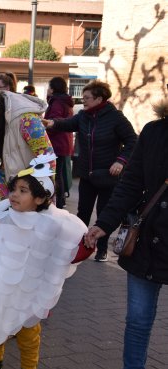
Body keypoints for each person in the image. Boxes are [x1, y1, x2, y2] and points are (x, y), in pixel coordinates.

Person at [0, 154, 90, 369]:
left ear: (40, 198)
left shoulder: (54, 224)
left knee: (29, 336)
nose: (15, 195)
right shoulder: (3, 217)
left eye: (23, 191)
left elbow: (70, 252)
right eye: (14, 189)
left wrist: (88, 245)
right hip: (3, 289)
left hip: (31, 294)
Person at [84, 100, 168, 369]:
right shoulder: (155, 131)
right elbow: (131, 183)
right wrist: (103, 223)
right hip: (148, 240)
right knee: (138, 320)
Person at [42, 80, 137, 262]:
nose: (83, 101)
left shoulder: (115, 117)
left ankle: (101, 249)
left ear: (99, 98)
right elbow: (67, 124)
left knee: (103, 214)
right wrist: (50, 123)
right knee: (83, 212)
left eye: (87, 98)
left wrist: (120, 161)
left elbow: (132, 141)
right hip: (87, 174)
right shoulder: (84, 116)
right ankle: (81, 246)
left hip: (108, 176)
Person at [44, 77, 74, 209]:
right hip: (64, 143)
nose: (48, 89)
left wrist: (44, 134)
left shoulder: (57, 102)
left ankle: (59, 202)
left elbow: (53, 123)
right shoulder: (65, 101)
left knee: (55, 175)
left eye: (49, 86)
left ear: (53, 88)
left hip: (57, 143)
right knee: (59, 174)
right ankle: (61, 201)